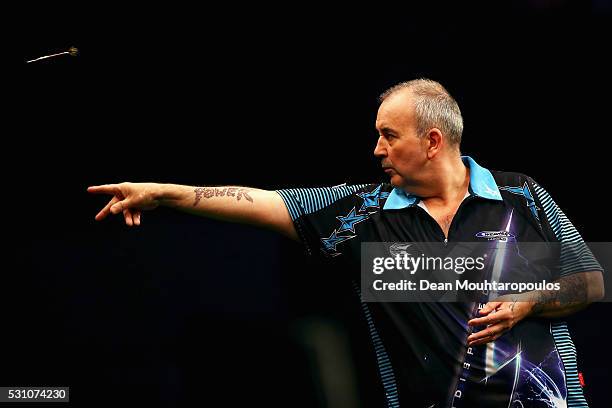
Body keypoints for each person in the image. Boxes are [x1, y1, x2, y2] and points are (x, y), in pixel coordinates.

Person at [89, 79, 604, 408]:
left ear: (432, 141)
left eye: (389, 135)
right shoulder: (364, 211)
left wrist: (530, 300)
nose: (376, 148)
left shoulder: (521, 193)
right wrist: (164, 194)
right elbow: (266, 202)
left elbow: (592, 279)